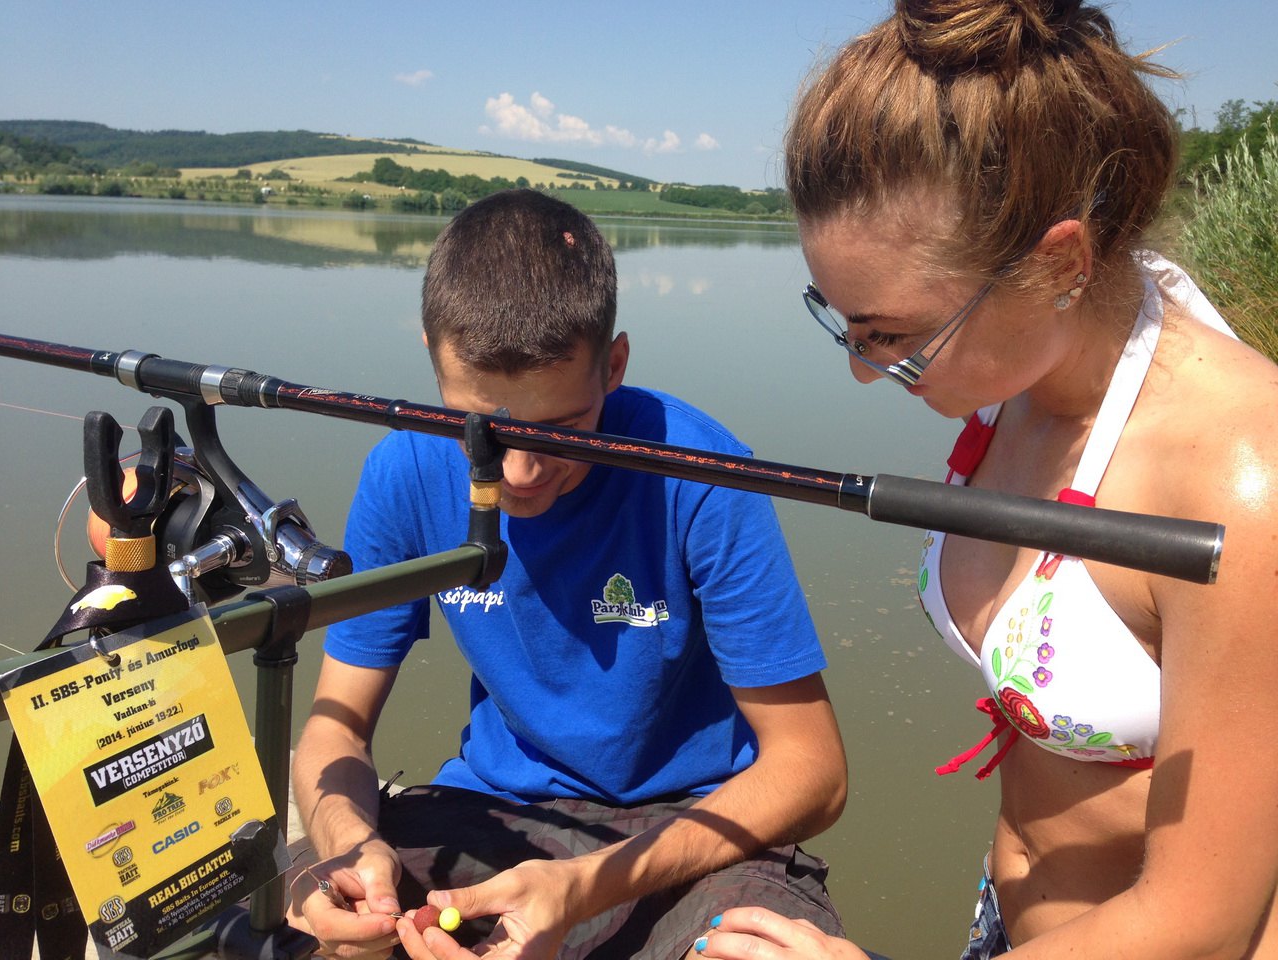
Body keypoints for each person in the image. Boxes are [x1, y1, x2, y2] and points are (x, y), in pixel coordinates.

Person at [695, 2, 1278, 959]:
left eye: (894, 336)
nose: (862, 367)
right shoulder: (1024, 371)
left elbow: (1204, 921)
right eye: (839, 319)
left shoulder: (1240, 477)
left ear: (1059, 263)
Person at [288, 189, 849, 960]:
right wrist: (351, 848)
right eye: (480, 428)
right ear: (432, 356)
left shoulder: (703, 473)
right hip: (492, 807)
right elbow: (336, 725)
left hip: (691, 826)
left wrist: (585, 884)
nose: (520, 472)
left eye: (560, 429)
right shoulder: (403, 471)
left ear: (613, 365)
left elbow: (812, 771)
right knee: (305, 912)